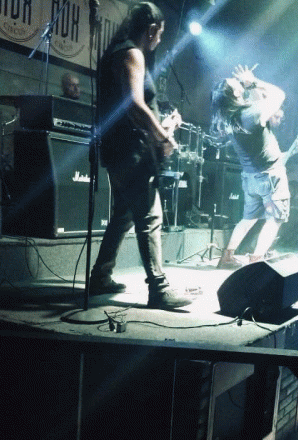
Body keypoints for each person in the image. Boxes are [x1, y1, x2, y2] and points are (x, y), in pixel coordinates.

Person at [89, 2, 191, 309]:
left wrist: (164, 124)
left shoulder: (118, 52)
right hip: (130, 152)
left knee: (123, 215)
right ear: (152, 29)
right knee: (150, 217)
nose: (159, 40)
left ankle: (100, 276)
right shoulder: (132, 53)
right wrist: (164, 136)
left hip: (120, 149)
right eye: (160, 34)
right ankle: (159, 289)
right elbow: (134, 104)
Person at [210, 65, 291, 268]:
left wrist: (250, 85)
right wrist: (253, 82)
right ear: (236, 93)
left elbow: (259, 102)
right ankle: (256, 261)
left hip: (251, 177)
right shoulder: (250, 115)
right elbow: (279, 95)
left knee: (248, 218)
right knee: (274, 219)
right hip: (270, 176)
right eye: (236, 83)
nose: (238, 82)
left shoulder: (230, 118)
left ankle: (227, 257)